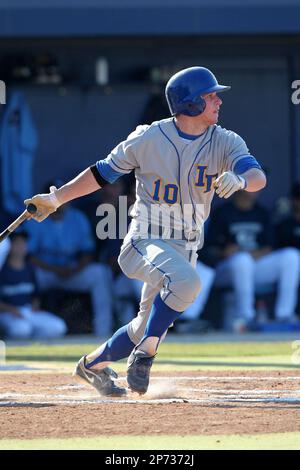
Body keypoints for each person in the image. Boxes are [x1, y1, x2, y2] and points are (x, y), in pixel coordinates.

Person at [24, 66, 266, 396]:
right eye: (210, 96)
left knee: (142, 327)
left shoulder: (224, 141)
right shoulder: (149, 137)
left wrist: (240, 180)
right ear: (191, 104)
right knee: (187, 284)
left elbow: (257, 177)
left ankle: (91, 365)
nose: (218, 102)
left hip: (185, 247)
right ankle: (146, 354)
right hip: (145, 239)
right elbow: (101, 173)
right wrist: (55, 198)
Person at [206, 190, 300, 330]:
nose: (254, 190)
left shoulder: (261, 212)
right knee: (242, 260)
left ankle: (285, 314)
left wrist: (251, 254)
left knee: (291, 255)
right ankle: (246, 316)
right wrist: (224, 252)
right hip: (227, 269)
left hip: (254, 264)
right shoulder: (222, 212)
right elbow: (209, 248)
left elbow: (270, 246)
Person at [25, 192, 114, 337]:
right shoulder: (35, 219)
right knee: (28, 275)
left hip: (72, 270)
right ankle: (25, 328)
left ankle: (103, 332)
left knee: (100, 273)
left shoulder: (77, 218)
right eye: (52, 198)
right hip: (45, 271)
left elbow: (88, 252)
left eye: (60, 198)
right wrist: (55, 269)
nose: (58, 203)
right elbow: (28, 256)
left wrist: (75, 269)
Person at [0, 231, 67, 339]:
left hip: (28, 311)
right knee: (22, 330)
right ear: (9, 246)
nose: (21, 246)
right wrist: (11, 309)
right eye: (17, 243)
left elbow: (35, 295)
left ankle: (35, 349)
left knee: (58, 327)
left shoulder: (30, 269)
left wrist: (35, 305)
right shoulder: (2, 269)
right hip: (7, 313)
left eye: (23, 243)